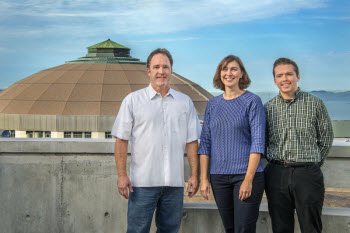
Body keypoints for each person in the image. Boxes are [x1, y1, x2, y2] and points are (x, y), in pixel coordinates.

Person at [111, 48, 201, 233]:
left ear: (171, 71)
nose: (161, 71)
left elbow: (192, 141)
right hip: (142, 184)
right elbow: (121, 140)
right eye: (157, 67)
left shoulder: (185, 102)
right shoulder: (132, 101)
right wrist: (121, 175)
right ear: (148, 71)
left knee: (170, 231)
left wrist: (194, 174)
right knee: (137, 230)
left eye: (165, 67)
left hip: (174, 185)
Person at [264, 58, 334, 233]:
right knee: (280, 227)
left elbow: (326, 138)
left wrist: (312, 164)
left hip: (307, 174)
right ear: (275, 81)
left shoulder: (315, 104)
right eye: (280, 75)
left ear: (297, 76)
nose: (285, 79)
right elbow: (263, 141)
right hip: (276, 173)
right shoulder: (268, 108)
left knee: (311, 227)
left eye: (289, 74)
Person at [199, 55, 266, 233]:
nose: (229, 73)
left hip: (245, 175)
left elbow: (258, 143)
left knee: (243, 229)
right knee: (229, 228)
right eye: (224, 69)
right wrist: (204, 179)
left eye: (234, 69)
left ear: (242, 74)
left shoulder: (252, 101)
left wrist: (248, 179)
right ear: (219, 74)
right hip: (218, 178)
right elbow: (205, 143)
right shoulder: (213, 104)